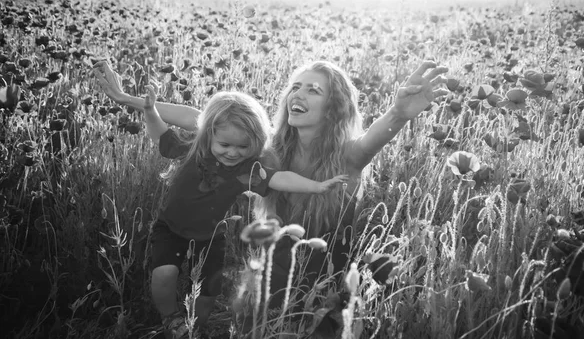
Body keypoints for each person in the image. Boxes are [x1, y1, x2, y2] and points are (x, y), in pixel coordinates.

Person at [92, 58, 447, 327]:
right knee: (249, 320)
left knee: (328, 316)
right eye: (296, 86)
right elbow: (201, 118)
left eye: (313, 90)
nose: (299, 93)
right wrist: (131, 99)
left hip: (332, 266)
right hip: (279, 263)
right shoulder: (269, 150)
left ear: (334, 107)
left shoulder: (349, 156)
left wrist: (399, 114)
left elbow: (377, 137)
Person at [140, 84, 348, 339]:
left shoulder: (246, 170)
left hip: (210, 235)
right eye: (225, 144)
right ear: (209, 136)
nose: (233, 153)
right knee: (164, 274)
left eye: (242, 147)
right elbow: (160, 134)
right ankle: (170, 317)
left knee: (209, 291)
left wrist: (316, 186)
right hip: (170, 228)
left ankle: (196, 326)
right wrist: (150, 110)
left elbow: (279, 178)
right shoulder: (193, 151)